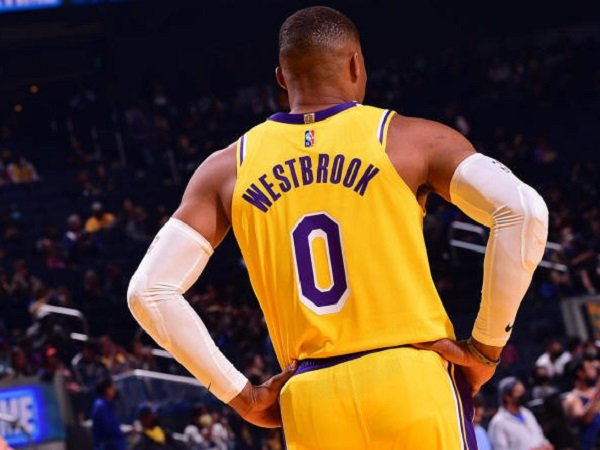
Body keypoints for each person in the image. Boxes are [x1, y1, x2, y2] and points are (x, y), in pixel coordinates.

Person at [127, 6, 549, 449]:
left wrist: (242, 395)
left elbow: (148, 291)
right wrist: (486, 347)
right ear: (356, 64)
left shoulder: (225, 169)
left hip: (311, 397)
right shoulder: (409, 138)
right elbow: (524, 212)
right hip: (412, 375)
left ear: (281, 79)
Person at [488, 377, 553, 450]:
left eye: (522, 392)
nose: (522, 395)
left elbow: (539, 436)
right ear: (507, 397)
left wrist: (546, 445)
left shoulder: (527, 413)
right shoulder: (499, 422)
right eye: (518, 392)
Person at [564, 357, 600, 450]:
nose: (594, 371)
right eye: (590, 368)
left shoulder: (594, 391)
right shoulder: (572, 398)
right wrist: (596, 395)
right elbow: (586, 419)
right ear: (580, 373)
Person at [91, 378, 127, 450]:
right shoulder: (101, 406)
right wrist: (124, 432)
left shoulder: (107, 404)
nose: (115, 390)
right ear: (107, 390)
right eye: (113, 388)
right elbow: (109, 430)